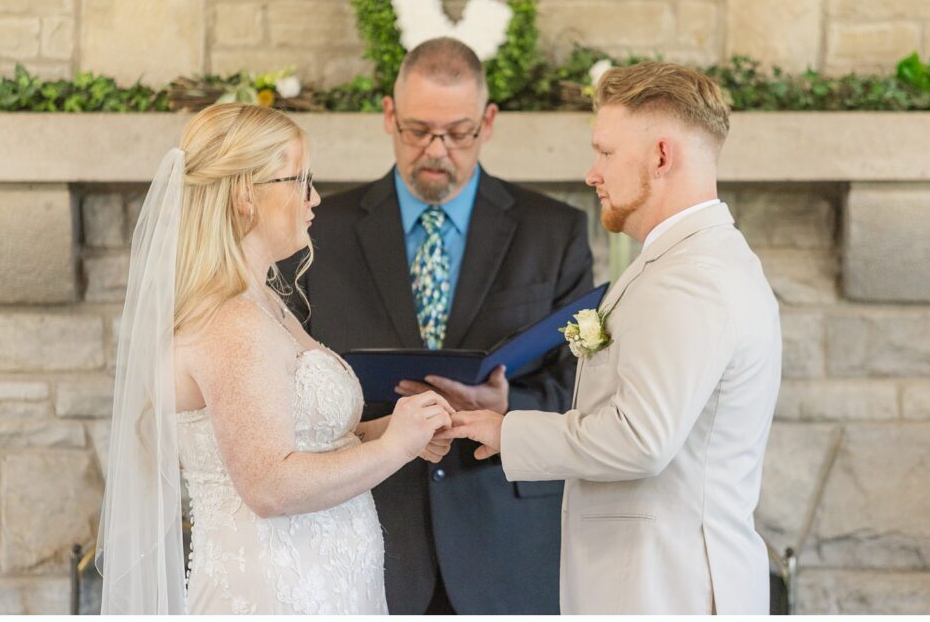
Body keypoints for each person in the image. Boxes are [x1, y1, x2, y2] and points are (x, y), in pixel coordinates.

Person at [443, 62, 782, 614]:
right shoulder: (690, 260)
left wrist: (510, 431)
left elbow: (642, 439)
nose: (591, 173)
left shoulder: (691, 277)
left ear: (662, 156)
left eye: (605, 152)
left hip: (666, 589)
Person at [95, 103, 455, 614]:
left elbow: (306, 441)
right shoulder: (231, 321)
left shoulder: (264, 303)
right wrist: (394, 448)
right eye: (299, 180)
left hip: (323, 583)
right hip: (275, 592)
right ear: (245, 193)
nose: (315, 198)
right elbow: (269, 485)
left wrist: (399, 430)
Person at [282, 37, 595, 614]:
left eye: (458, 133)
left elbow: (585, 387)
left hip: (507, 538)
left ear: (489, 121)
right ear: (388, 115)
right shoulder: (315, 231)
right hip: (364, 529)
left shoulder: (555, 231)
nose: (436, 150)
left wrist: (507, 403)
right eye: (418, 130)